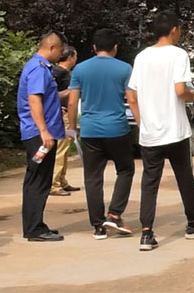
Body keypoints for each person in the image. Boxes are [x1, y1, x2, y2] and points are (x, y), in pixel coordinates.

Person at [127, 10, 194, 251]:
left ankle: (146, 233)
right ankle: (193, 222)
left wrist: (141, 120)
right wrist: (193, 95)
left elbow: (131, 94)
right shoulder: (178, 55)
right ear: (175, 30)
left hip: (150, 133)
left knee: (149, 182)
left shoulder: (142, 56)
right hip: (175, 130)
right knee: (184, 178)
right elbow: (179, 90)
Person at [66, 28, 135, 239]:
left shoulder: (80, 69)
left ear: (94, 47)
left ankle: (98, 226)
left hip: (90, 129)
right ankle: (114, 214)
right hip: (117, 128)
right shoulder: (125, 68)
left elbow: (72, 100)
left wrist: (72, 126)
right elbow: (132, 99)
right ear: (115, 47)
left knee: (92, 177)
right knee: (125, 170)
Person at [18, 31, 67, 242]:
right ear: (52, 48)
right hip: (40, 135)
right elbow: (35, 100)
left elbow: (45, 97)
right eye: (60, 51)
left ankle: (36, 224)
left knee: (39, 179)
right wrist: (44, 131)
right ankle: (34, 229)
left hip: (41, 132)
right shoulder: (39, 69)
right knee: (38, 181)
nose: (61, 55)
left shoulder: (40, 68)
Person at [50, 45, 80, 196]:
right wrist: (72, 90)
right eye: (75, 56)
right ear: (70, 57)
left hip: (65, 115)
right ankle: (54, 184)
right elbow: (50, 94)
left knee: (66, 148)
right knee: (61, 149)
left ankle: (62, 180)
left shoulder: (59, 72)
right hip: (61, 116)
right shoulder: (59, 73)